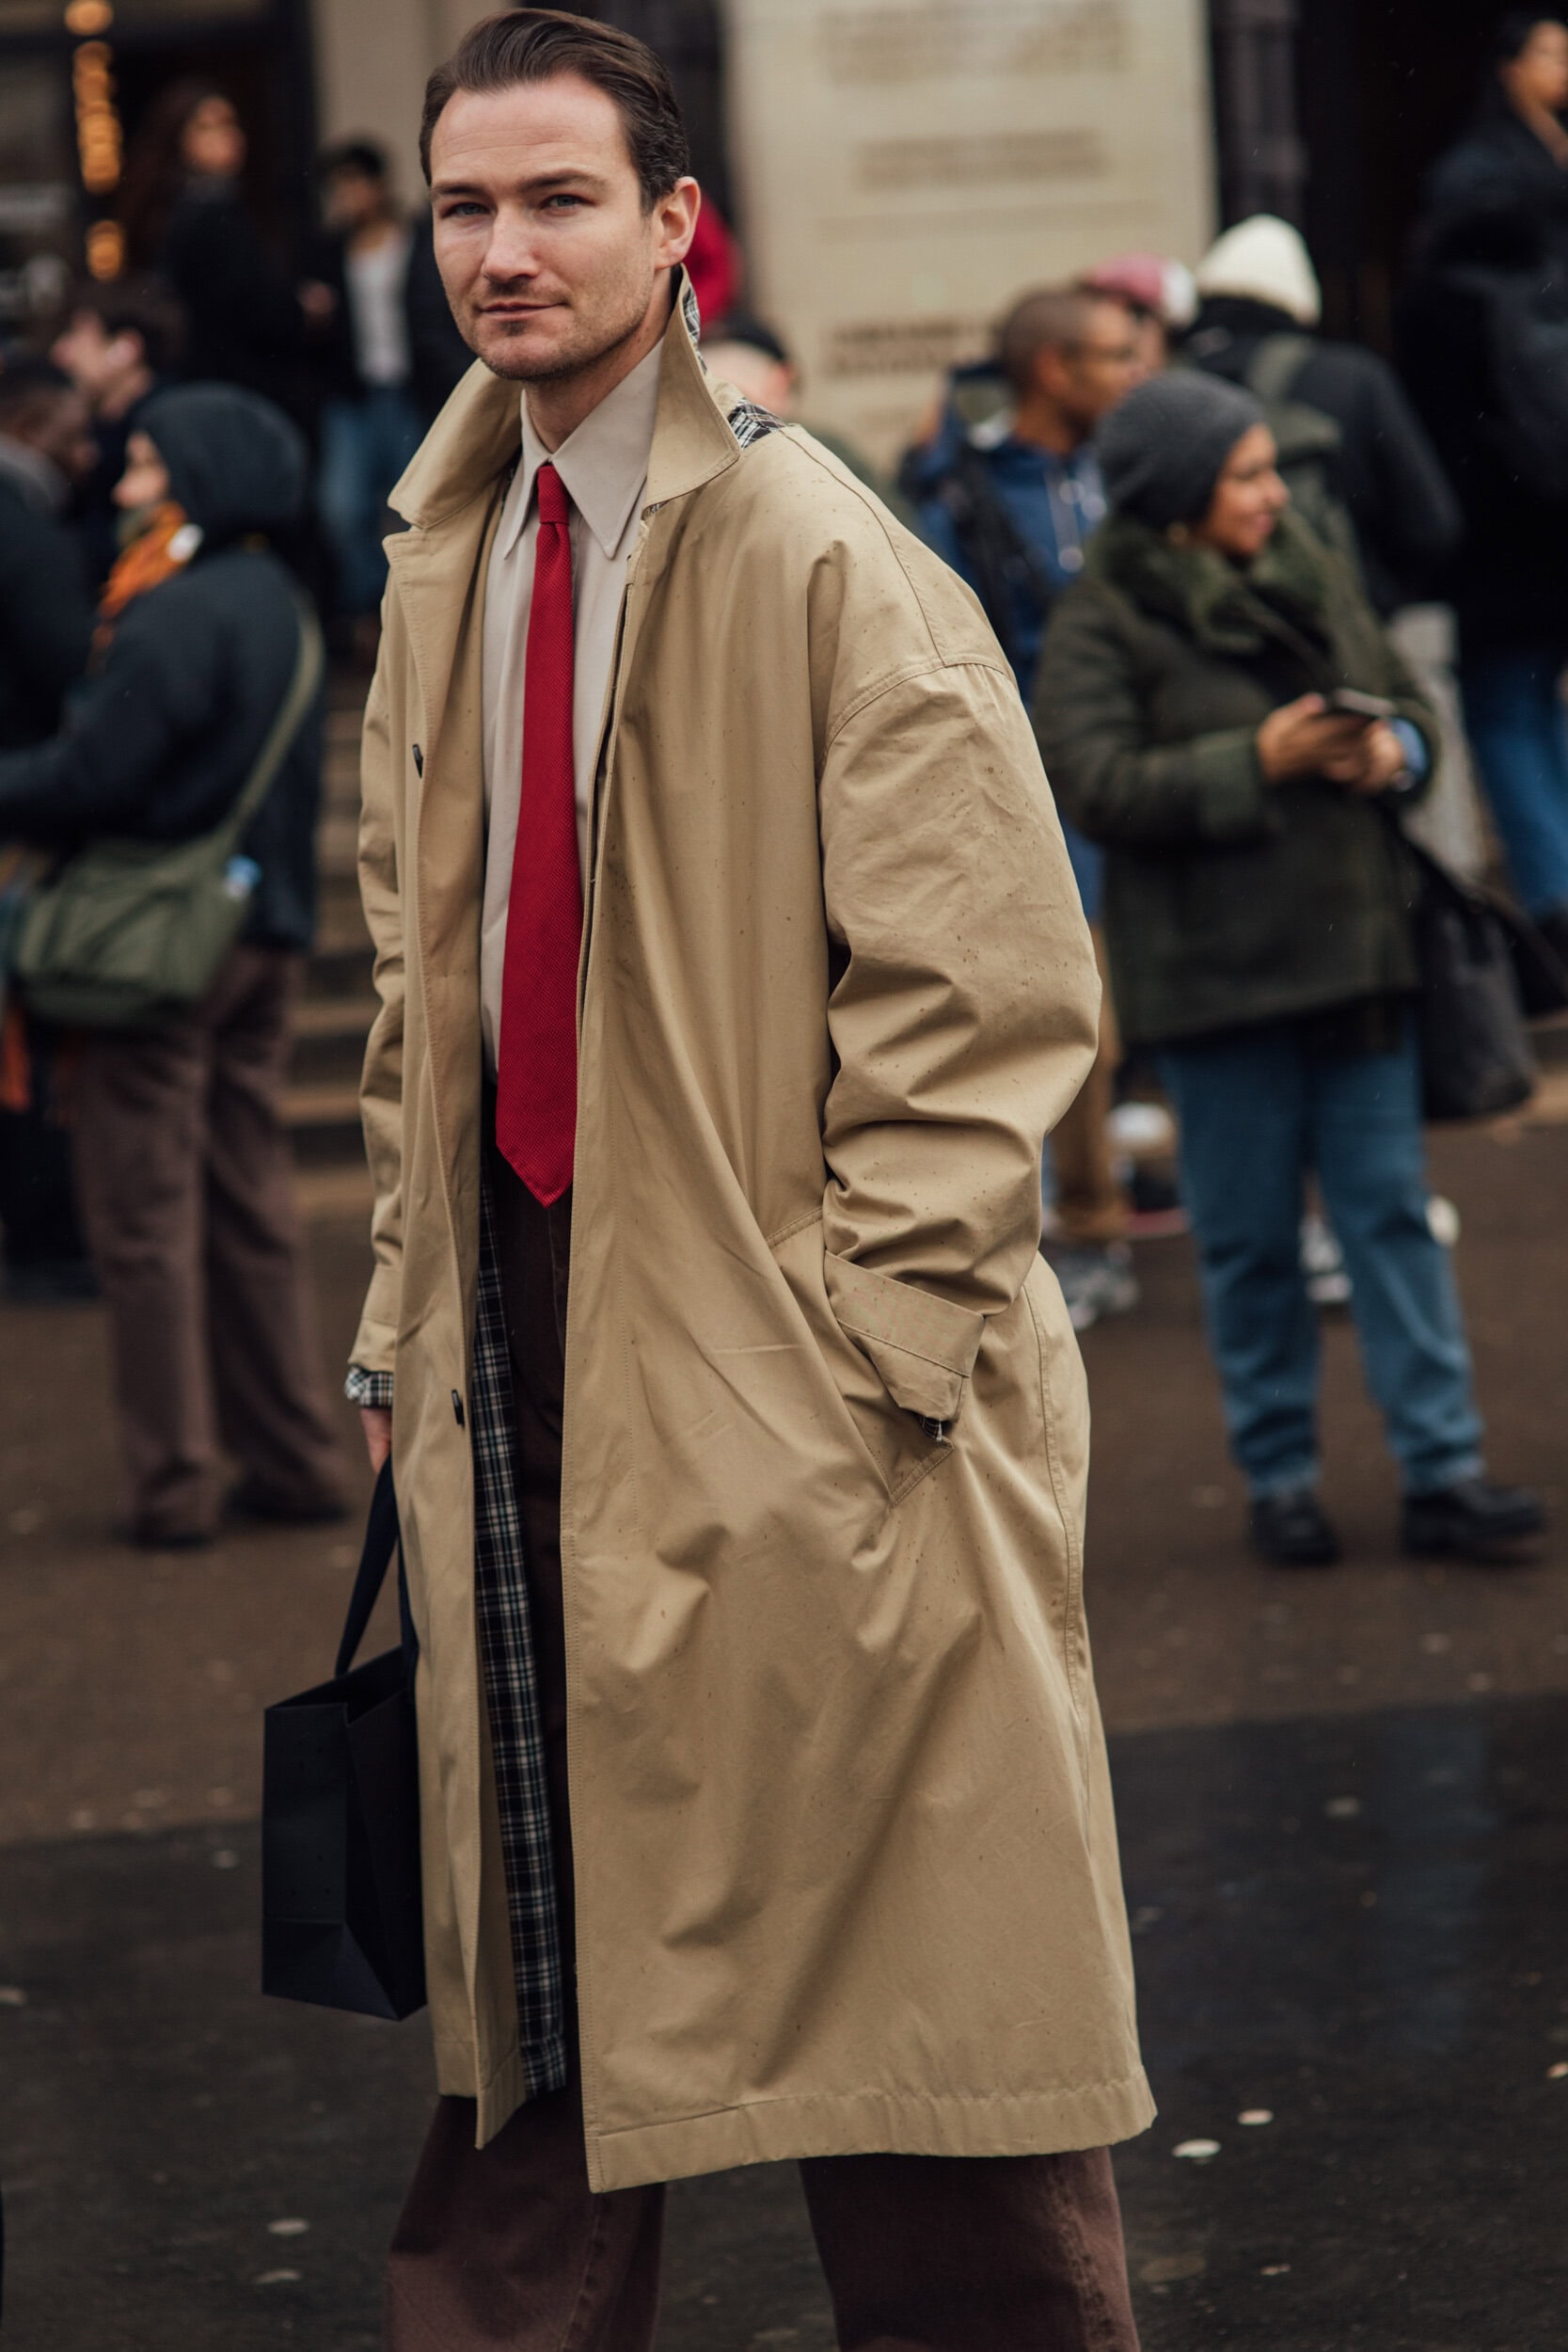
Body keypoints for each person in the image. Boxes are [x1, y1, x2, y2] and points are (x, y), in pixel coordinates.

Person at [351, 12, 1150, 2346]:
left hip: (792, 1376)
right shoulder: (451, 543)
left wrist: (874, 1363)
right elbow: (424, 993)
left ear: (677, 225)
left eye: (557, 198)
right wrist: (403, 1316)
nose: (504, 249)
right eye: (468, 206)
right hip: (522, 1336)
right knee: (538, 1980)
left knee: (925, 2021)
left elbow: (989, 997)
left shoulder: (824, 551)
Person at [1034, 370, 1545, 1571]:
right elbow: (1090, 782)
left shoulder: (1310, 557)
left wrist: (1394, 749)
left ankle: (1442, 1469)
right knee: (1250, 1245)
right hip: (1216, 989)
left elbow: (1414, 704)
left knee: (1392, 1222)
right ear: (1177, 496)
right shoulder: (1103, 612)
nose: (1274, 494)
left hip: (1355, 959)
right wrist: (1251, 757)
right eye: (1247, 475)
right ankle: (1277, 1479)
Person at [0, 385, 344, 1547]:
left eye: (146, 465)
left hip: (157, 947)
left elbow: (96, 776)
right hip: (261, 933)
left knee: (141, 1222)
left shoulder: (176, 611)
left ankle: (172, 1482)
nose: (125, 484)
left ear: (196, 476)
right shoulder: (281, 605)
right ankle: (295, 1454)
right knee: (248, 1205)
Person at [906, 284, 1149, 1329]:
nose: (1131, 375)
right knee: (1077, 1017)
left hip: (1156, 769)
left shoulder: (1132, 469)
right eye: (1111, 356)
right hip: (1041, 794)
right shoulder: (955, 495)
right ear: (1053, 369)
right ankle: (1087, 1226)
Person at [1399, 14, 1568, 960]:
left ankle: (1551, 904)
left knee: (1509, 704)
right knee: (1531, 703)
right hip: (1542, 521)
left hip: (1496, 529)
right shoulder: (1533, 247)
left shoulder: (1444, 282)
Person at [1186, 214, 1462, 619]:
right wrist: (1374, 596)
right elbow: (1432, 525)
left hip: (1205, 628)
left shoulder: (1167, 385)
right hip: (1336, 628)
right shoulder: (1352, 377)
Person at [0, 358, 98, 1304]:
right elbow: (66, 659)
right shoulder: (25, 529)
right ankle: (42, 1238)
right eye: (74, 433)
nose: (91, 454)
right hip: (20, 811)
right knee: (24, 1048)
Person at [119, 83, 336, 437]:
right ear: (178, 139)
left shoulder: (200, 206)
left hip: (219, 387)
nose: (227, 136)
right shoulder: (205, 212)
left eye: (230, 124)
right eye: (206, 126)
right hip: (238, 390)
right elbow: (254, 306)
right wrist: (301, 308)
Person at [312, 140, 427, 638]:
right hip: (353, 393)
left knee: (414, 504)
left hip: (409, 388)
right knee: (342, 507)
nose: (348, 194)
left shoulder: (414, 239)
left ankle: (412, 608)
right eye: (339, 185)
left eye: (355, 181)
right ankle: (373, 608)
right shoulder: (327, 251)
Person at [50, 276, 184, 588]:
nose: (61, 352)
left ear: (125, 349)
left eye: (76, 335)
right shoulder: (93, 426)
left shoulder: (166, 429)